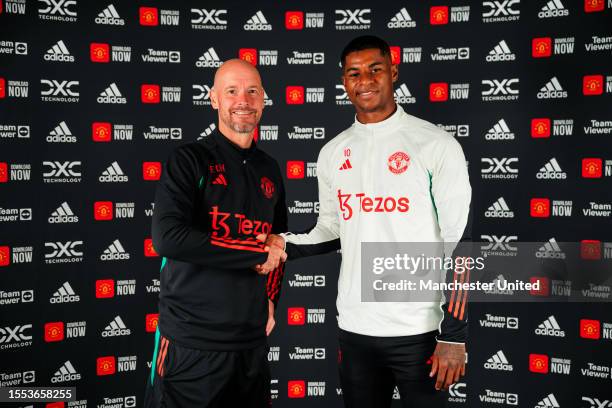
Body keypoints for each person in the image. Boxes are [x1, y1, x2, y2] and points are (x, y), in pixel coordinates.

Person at [264, 36, 472, 407]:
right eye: (354, 73)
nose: (365, 80)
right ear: (344, 82)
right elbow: (331, 230)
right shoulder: (332, 152)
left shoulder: (436, 145)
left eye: (375, 69)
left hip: (420, 331)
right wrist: (285, 245)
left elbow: (462, 244)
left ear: (393, 71)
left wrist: (453, 336)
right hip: (355, 330)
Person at [144, 59, 288, 408]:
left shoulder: (269, 167)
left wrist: (270, 298)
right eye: (232, 91)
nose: (244, 100)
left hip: (249, 345)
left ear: (264, 99)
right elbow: (168, 237)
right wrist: (255, 253)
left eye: (253, 91)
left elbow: (277, 240)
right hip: (191, 344)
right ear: (213, 99)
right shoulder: (189, 159)